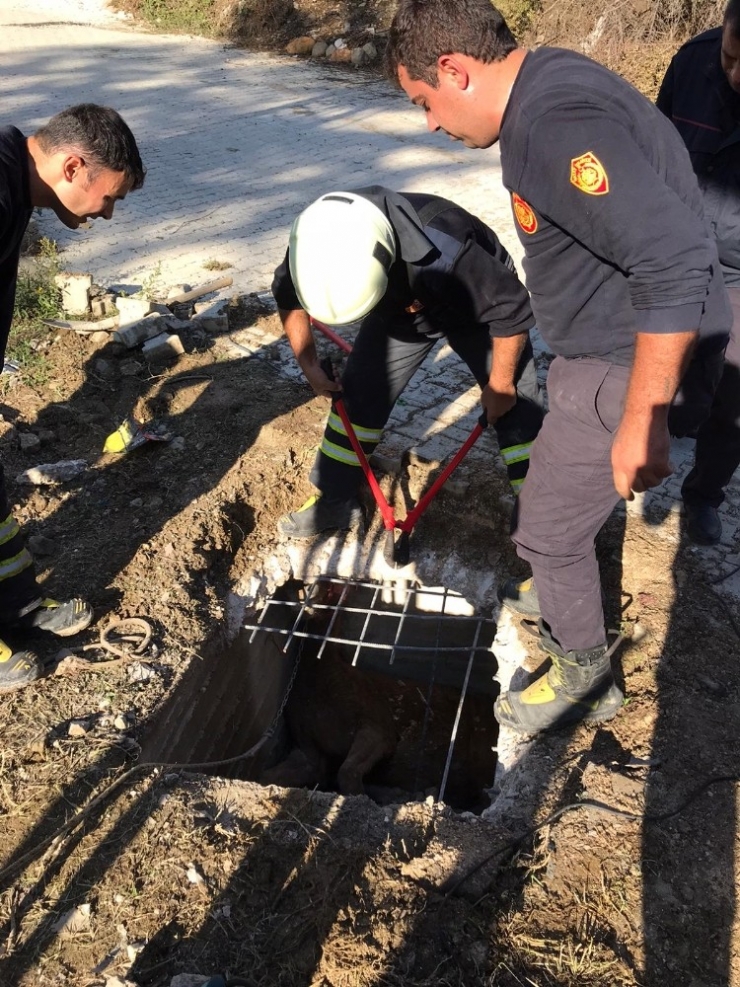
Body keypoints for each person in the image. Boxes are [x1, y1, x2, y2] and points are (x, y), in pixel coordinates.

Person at [386, 0, 731, 734]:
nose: (432, 125)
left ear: (455, 70)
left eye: (425, 102)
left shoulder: (552, 125)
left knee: (545, 533)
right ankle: (562, 599)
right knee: (551, 503)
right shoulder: (550, 87)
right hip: (603, 350)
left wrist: (644, 415)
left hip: (619, 360)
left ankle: (582, 677)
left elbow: (670, 257)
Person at [271, 186, 544, 538]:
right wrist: (308, 364)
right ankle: (335, 501)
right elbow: (287, 295)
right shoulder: (313, 245)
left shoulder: (447, 250)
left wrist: (502, 385)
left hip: (477, 305)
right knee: (359, 395)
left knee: (517, 410)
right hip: (401, 310)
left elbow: (512, 310)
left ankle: (543, 531)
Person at [0, 103, 146, 693]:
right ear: (73, 166)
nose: (107, 214)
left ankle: (17, 607)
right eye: (109, 197)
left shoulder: (13, 183)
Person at [657, 0, 740, 545]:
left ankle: (704, 493)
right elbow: (653, 150)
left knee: (735, 394)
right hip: (675, 248)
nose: (735, 76)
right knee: (657, 359)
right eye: (731, 56)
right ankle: (665, 429)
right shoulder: (693, 61)